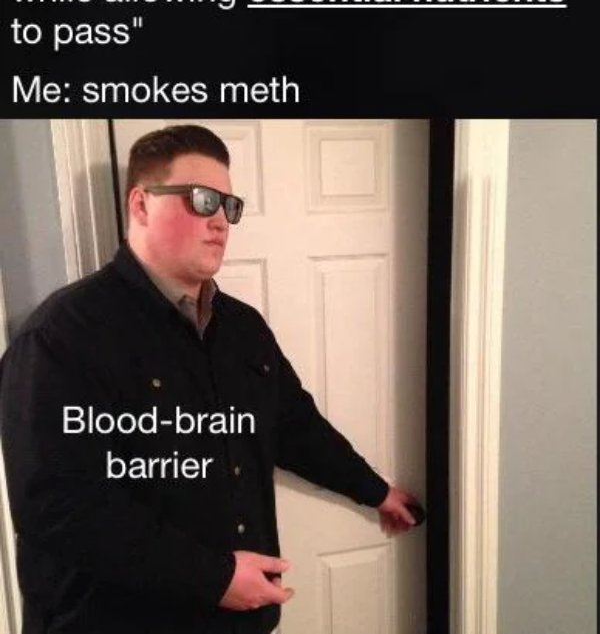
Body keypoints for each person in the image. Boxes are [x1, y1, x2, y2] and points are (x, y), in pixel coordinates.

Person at [0, 125, 421, 634]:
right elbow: (57, 506)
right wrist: (215, 577)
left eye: (229, 205)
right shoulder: (63, 337)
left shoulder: (242, 329)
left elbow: (293, 425)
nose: (220, 220)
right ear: (141, 204)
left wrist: (375, 491)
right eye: (202, 200)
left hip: (240, 621)